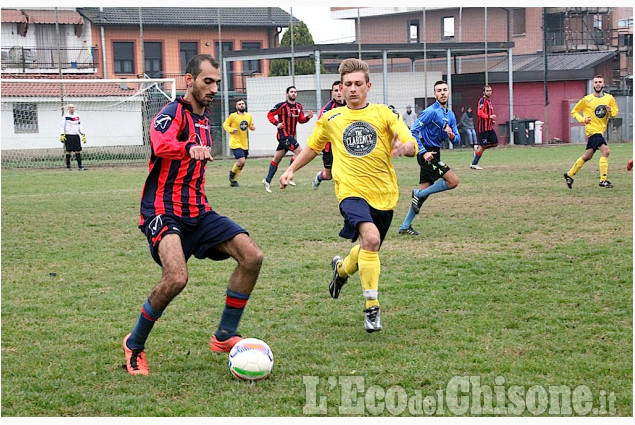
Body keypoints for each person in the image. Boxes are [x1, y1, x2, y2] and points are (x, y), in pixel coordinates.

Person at [123, 54, 264, 375]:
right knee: (176, 278)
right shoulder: (172, 112)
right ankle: (134, 344)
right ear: (189, 81)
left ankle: (225, 333)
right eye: (207, 81)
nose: (214, 88)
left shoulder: (205, 120)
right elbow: (160, 143)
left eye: (217, 82)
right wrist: (187, 148)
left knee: (252, 257)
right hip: (162, 210)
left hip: (199, 211)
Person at [279, 58, 417, 333]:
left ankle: (341, 270)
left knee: (370, 247)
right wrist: (291, 168)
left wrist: (406, 147)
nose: (352, 89)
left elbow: (410, 143)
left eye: (357, 84)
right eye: (347, 85)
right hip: (350, 192)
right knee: (372, 238)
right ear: (340, 88)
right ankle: (372, 308)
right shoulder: (331, 118)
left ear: (368, 86)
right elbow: (312, 148)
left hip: (384, 193)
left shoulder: (384, 114)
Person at [398, 80, 461, 236]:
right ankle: (418, 194)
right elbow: (413, 130)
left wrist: (452, 137)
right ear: (435, 94)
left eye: (445, 90)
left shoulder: (450, 115)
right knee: (453, 181)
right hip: (426, 153)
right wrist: (423, 151)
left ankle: (404, 226)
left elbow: (457, 140)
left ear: (448, 92)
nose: (442, 93)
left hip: (435, 152)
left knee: (423, 194)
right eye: (439, 90)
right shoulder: (431, 111)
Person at [564, 75, 619, 189]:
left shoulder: (609, 98)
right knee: (606, 151)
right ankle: (603, 180)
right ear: (593, 85)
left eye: (600, 82)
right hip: (592, 130)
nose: (598, 84)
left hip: (600, 131)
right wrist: (583, 119)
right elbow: (574, 111)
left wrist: (610, 111)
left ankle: (569, 175)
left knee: (587, 156)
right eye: (596, 82)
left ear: (603, 84)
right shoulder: (587, 99)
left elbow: (614, 114)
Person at [262, 86, 313, 192]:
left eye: (295, 92)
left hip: (290, 136)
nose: (293, 93)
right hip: (283, 135)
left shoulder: (298, 106)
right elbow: (270, 114)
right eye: (291, 92)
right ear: (287, 94)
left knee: (277, 159)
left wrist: (307, 118)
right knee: (301, 153)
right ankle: (288, 175)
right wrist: (276, 123)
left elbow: (301, 120)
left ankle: (267, 180)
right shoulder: (281, 106)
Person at [312, 80, 345, 190]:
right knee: (329, 175)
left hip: (343, 144)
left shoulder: (350, 106)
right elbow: (321, 129)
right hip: (328, 147)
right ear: (332, 93)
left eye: (341, 90)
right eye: (336, 90)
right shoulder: (327, 110)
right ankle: (319, 176)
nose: (339, 93)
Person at [223, 99, 255, 187]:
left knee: (242, 163)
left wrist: (252, 127)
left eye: (243, 104)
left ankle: (234, 181)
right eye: (239, 104)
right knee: (241, 160)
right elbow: (225, 125)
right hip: (235, 142)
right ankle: (232, 173)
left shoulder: (248, 116)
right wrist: (231, 130)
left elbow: (250, 125)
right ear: (236, 107)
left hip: (244, 143)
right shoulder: (233, 116)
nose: (241, 105)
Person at [470, 85, 498, 170]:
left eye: (490, 90)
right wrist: (489, 117)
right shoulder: (482, 101)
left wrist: (491, 121)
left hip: (489, 127)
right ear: (483, 92)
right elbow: (479, 113)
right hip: (483, 128)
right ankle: (474, 164)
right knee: (483, 146)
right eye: (487, 91)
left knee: (495, 143)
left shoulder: (489, 101)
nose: (489, 92)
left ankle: (477, 148)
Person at [60, 104, 87, 171]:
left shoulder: (77, 116)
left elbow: (79, 125)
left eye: (72, 107)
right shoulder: (65, 117)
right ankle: (68, 167)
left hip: (76, 135)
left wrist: (83, 134)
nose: (72, 109)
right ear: (68, 109)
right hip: (68, 135)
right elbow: (62, 126)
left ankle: (80, 166)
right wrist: (62, 134)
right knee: (68, 151)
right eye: (70, 107)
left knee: (78, 151)